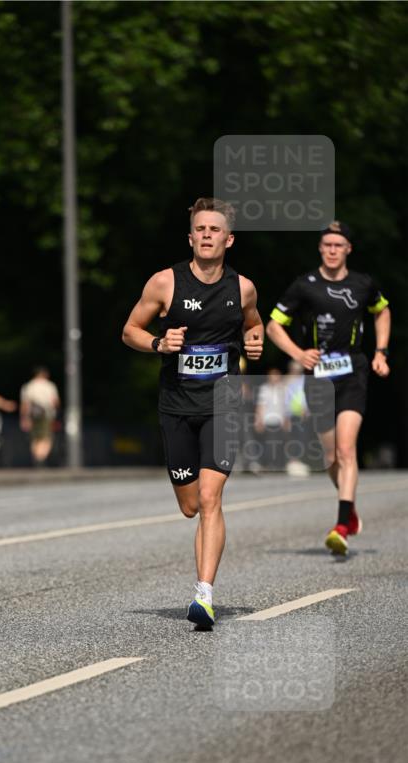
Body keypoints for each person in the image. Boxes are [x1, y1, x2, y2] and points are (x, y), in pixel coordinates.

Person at [122, 197, 264, 629]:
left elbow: (254, 323)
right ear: (191, 237)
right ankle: (202, 586)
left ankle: (204, 595)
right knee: (189, 505)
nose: (206, 235)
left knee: (210, 499)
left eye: (214, 229)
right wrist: (158, 344)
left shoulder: (243, 288)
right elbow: (129, 329)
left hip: (223, 405)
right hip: (177, 406)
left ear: (229, 239)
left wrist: (256, 341)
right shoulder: (165, 283)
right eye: (200, 229)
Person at [266, 221, 391, 555]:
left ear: (349, 248)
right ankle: (350, 511)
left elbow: (382, 311)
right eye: (327, 245)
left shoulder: (363, 284)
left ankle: (340, 525)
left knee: (347, 449)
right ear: (320, 249)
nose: (333, 250)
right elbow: (274, 325)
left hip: (353, 372)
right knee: (331, 455)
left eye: (339, 245)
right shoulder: (304, 285)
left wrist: (381, 352)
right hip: (318, 377)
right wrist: (297, 353)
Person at [20, 367, 61, 467]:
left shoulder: (29, 386)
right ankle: (41, 457)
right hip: (47, 414)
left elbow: (25, 403)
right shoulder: (49, 385)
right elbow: (55, 401)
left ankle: (36, 456)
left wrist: (24, 417)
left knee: (35, 437)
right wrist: (58, 412)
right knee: (46, 436)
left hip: (33, 414)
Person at [254, 367, 289, 471]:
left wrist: (286, 420)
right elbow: (260, 405)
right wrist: (258, 420)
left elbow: (285, 406)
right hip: (267, 420)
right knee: (268, 444)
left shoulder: (283, 389)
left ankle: (279, 464)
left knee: (280, 444)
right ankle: (268, 464)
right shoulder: (264, 388)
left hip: (280, 420)